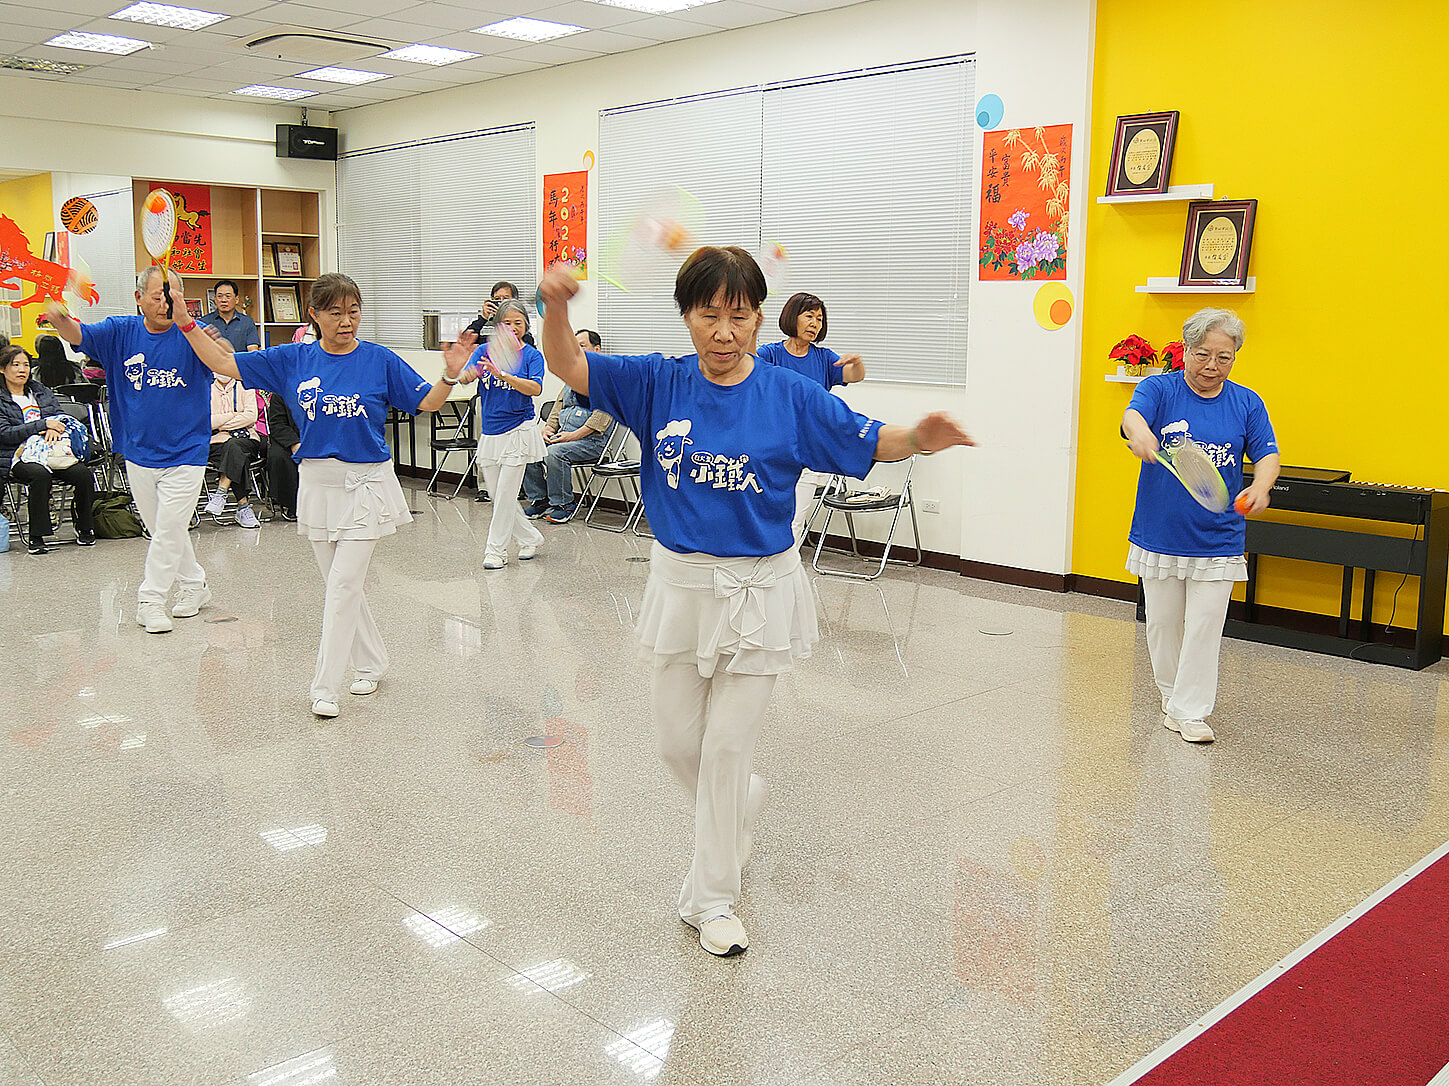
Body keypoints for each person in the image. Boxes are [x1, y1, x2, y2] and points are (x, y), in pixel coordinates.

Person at [537, 248, 974, 958]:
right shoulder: (657, 382)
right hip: (682, 586)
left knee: (725, 748)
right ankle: (739, 802)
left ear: (759, 318)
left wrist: (919, 439)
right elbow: (567, 363)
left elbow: (865, 437)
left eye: (738, 317)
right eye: (707, 315)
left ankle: (711, 898)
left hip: (759, 589)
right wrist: (555, 307)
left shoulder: (788, 394)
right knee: (677, 744)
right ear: (686, 316)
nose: (723, 332)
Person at [180, 272, 470, 718]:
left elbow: (427, 402)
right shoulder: (292, 358)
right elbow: (223, 361)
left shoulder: (379, 359)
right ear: (314, 315)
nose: (346, 321)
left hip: (366, 484)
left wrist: (449, 376)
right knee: (340, 584)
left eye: (353, 312)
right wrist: (185, 322)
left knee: (342, 586)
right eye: (335, 313)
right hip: (317, 483)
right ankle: (371, 662)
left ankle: (324, 687)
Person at [1121, 307, 1281, 745]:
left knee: (1205, 626)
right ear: (1186, 349)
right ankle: (1171, 695)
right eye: (1203, 354)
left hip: (1219, 535)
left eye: (1224, 357)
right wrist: (1141, 434)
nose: (1212, 365)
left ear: (1235, 357)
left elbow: (1267, 453)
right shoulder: (1159, 389)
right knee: (1163, 624)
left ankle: (1191, 711)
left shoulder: (1246, 402)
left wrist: (1261, 487)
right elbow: (1132, 416)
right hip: (1161, 532)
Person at [45, 269, 217, 633]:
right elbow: (78, 334)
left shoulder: (194, 332)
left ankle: (149, 601)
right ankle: (194, 584)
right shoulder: (120, 332)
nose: (165, 303)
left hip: (187, 450)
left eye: (172, 296)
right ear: (138, 299)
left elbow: (226, 359)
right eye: (157, 296)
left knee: (168, 529)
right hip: (139, 450)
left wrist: (192, 328)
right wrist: (59, 318)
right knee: (164, 530)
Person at [756, 292, 865, 543]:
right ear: (792, 316)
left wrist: (857, 364)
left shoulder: (824, 358)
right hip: (771, 449)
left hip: (807, 449)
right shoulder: (770, 354)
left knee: (795, 520)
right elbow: (746, 368)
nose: (815, 323)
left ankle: (785, 564)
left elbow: (854, 375)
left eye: (819, 319)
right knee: (766, 515)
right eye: (809, 316)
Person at [460, 300, 545, 568]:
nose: (512, 328)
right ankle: (530, 537)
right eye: (506, 323)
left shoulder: (532, 356)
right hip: (491, 431)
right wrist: (462, 370)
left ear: (526, 326)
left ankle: (495, 551)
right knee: (498, 496)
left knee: (506, 495)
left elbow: (535, 389)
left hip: (519, 430)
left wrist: (504, 374)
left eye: (518, 323)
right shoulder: (484, 351)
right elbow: (465, 377)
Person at [0, 345, 96, 554]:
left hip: (51, 451)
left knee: (83, 475)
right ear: (2, 369)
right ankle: (37, 536)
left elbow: (58, 417)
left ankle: (85, 527)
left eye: (26, 365)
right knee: (40, 475)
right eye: (15, 365)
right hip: (16, 455)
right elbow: (5, 433)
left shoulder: (40, 391)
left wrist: (54, 427)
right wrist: (42, 425)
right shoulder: (2, 399)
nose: (22, 370)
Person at [523, 328, 614, 523]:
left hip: (591, 442)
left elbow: (601, 418)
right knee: (529, 446)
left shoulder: (607, 378)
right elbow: (559, 405)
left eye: (582, 346)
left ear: (596, 349)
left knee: (554, 453)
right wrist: (548, 429)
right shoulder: (572, 375)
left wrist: (571, 436)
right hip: (564, 437)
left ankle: (564, 504)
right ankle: (540, 500)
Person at [204, 370, 261, 528]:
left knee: (234, 447)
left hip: (247, 439)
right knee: (236, 454)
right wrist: (234, 415)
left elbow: (251, 416)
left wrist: (220, 425)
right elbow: (205, 421)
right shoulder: (206, 389)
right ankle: (243, 507)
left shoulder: (246, 386)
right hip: (216, 442)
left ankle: (220, 493)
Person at [463, 281, 535, 345]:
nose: (501, 302)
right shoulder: (484, 322)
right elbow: (465, 341)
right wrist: (483, 318)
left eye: (505, 299)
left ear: (515, 300)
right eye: (497, 299)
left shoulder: (517, 321)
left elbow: (527, 343)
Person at [199, 280, 260, 353]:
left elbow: (253, 351)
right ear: (215, 299)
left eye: (228, 296)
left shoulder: (247, 322)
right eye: (219, 296)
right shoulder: (204, 322)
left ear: (236, 300)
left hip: (238, 360)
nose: (223, 300)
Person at [266, 392, 300, 521]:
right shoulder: (280, 393)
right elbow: (277, 424)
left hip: (316, 439)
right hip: (288, 439)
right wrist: (294, 443)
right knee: (278, 457)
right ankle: (292, 505)